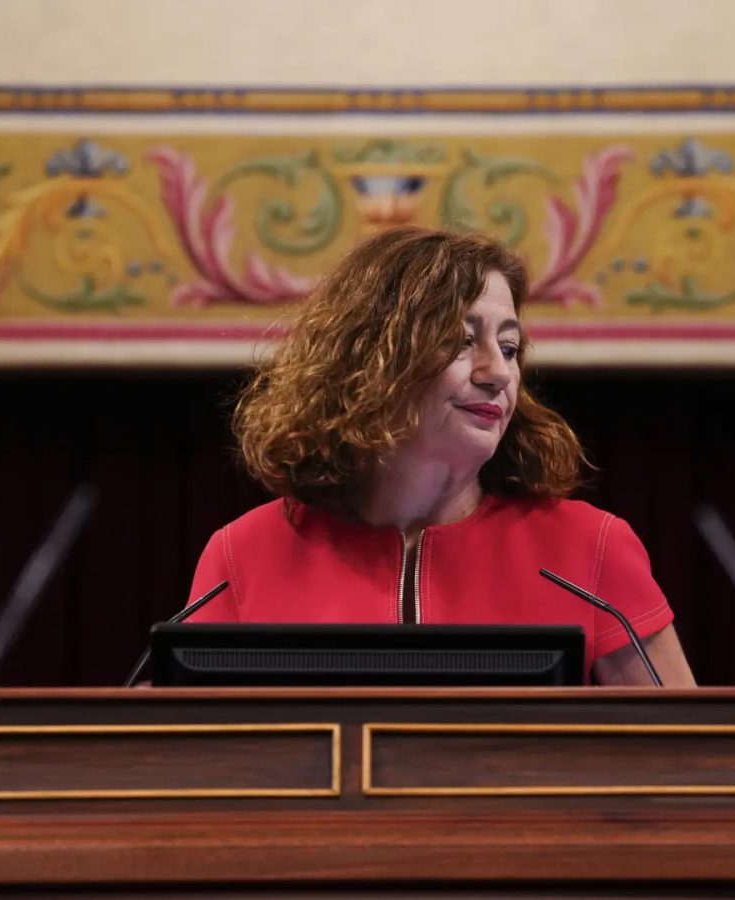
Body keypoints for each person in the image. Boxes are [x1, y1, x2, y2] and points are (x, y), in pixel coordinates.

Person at [186, 226, 695, 686]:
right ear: (371, 361)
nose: (497, 371)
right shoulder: (243, 554)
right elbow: (182, 756)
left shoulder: (590, 548)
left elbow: (687, 760)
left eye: (510, 347)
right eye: (460, 341)